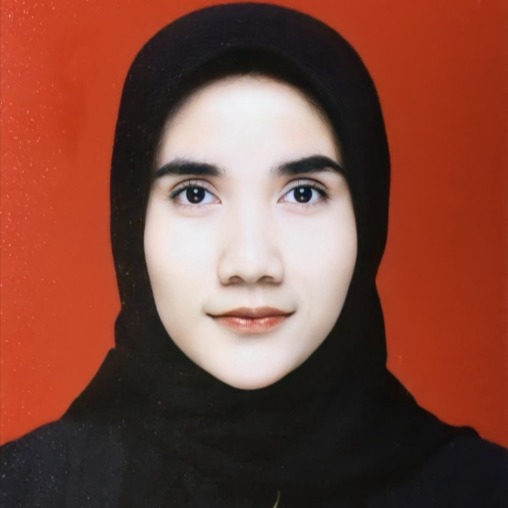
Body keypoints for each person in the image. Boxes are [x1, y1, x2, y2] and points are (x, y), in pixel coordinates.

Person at [1, 4, 506, 507]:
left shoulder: (484, 491)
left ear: (367, 217)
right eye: (195, 193)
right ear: (132, 225)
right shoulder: (26, 490)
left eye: (303, 193)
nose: (250, 264)